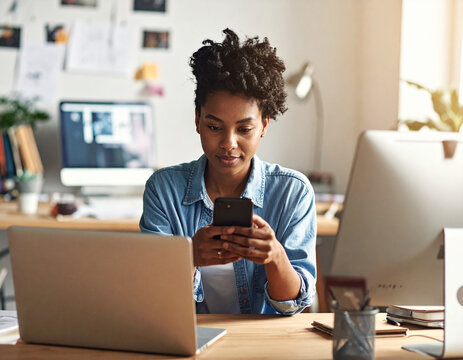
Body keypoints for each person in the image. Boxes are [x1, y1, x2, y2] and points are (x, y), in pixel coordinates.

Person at [140, 28, 317, 315]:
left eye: (244, 129)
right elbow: (153, 298)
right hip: (190, 341)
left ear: (265, 125)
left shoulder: (292, 192)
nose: (228, 143)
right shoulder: (164, 189)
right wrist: (189, 257)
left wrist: (275, 258)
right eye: (214, 127)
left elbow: (290, 307)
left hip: (263, 346)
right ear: (197, 120)